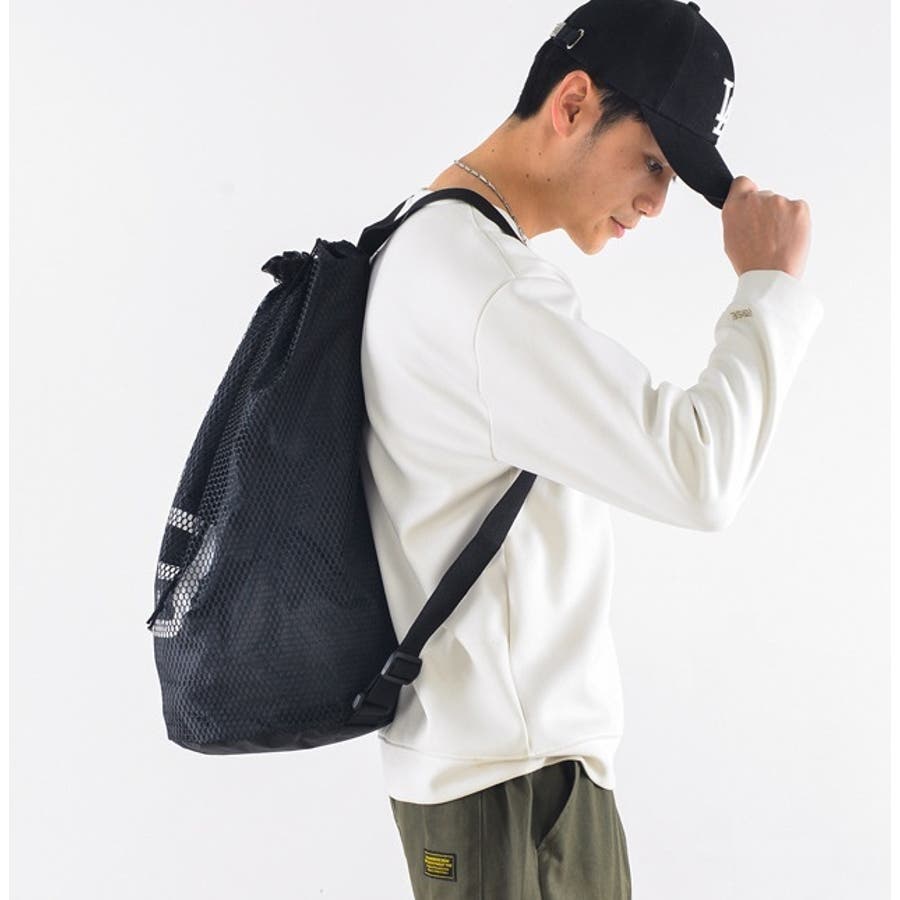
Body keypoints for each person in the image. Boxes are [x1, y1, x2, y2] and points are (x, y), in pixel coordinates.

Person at [358, 0, 822, 896]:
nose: (656, 202)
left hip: (496, 771)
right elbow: (699, 476)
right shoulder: (486, 290)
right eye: (652, 162)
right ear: (572, 103)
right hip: (517, 789)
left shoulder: (428, 237)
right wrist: (769, 289)